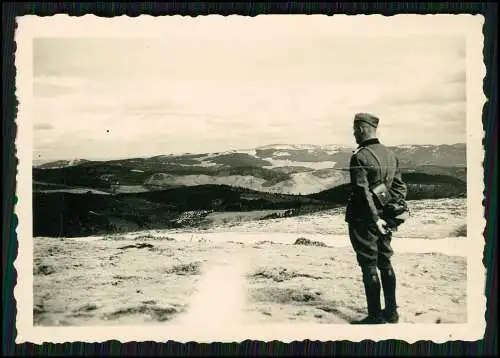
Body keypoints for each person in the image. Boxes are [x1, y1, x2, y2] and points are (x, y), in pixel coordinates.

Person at [345, 113, 408, 324]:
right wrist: (390, 213)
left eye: (355, 130)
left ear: (362, 129)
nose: (354, 134)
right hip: (385, 220)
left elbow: (362, 193)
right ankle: (391, 312)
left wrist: (374, 218)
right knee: (385, 261)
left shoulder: (359, 157)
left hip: (364, 220)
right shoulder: (390, 155)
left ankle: (374, 316)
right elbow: (399, 187)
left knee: (369, 265)